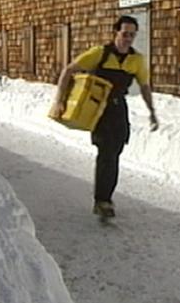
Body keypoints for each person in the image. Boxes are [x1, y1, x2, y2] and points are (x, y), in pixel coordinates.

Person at [49, 15, 158, 219]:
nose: (128, 39)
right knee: (107, 152)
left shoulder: (137, 60)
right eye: (124, 34)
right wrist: (59, 100)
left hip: (119, 109)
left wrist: (152, 111)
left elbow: (144, 86)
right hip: (99, 108)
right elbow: (69, 70)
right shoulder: (100, 53)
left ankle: (105, 197)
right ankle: (103, 200)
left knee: (115, 151)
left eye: (132, 35)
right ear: (115, 32)